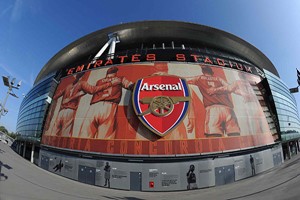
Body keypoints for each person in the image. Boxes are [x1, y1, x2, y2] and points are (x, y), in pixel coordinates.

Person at [50, 73, 114, 137]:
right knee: (65, 134)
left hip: (61, 112)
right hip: (70, 111)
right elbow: (92, 90)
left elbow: (55, 97)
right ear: (83, 76)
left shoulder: (68, 86)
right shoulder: (82, 83)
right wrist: (110, 84)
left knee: (53, 133)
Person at [79, 67, 134, 139]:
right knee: (104, 138)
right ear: (116, 72)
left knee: (85, 135)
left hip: (93, 107)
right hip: (109, 107)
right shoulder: (119, 79)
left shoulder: (99, 81)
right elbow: (131, 86)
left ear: (107, 74)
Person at [187, 65, 240, 137]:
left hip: (213, 110)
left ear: (203, 71)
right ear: (212, 72)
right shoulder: (219, 79)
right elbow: (232, 89)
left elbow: (184, 79)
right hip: (228, 110)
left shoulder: (199, 78)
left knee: (214, 137)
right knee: (235, 136)